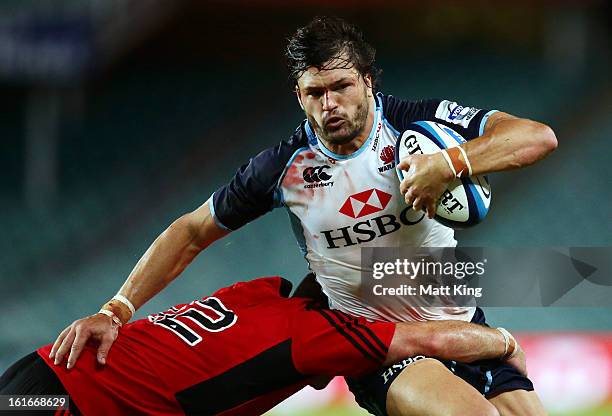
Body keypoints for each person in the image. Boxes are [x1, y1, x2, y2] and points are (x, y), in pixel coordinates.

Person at [50, 16, 557, 416]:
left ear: (367, 82)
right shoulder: (283, 168)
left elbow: (537, 136)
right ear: (299, 95)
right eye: (315, 93)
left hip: (461, 319)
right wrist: (115, 310)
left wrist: (448, 163)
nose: (330, 104)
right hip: (374, 344)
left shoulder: (418, 124)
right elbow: (190, 231)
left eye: (341, 86)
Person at [1, 275, 525, 416]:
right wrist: (502, 341)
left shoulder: (257, 292)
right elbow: (429, 337)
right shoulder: (315, 337)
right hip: (68, 405)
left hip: (42, 374)